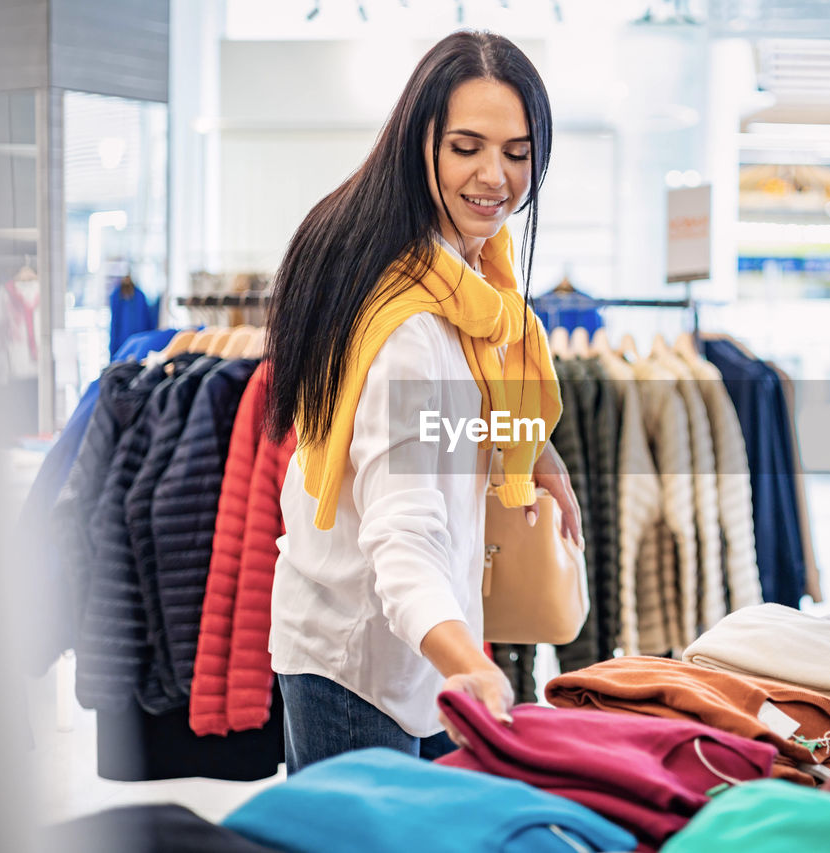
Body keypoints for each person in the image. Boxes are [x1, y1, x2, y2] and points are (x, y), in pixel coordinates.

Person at [264, 30, 582, 774]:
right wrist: (469, 662)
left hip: (419, 649)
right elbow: (401, 536)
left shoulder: (469, 281)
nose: (495, 176)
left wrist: (538, 451)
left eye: (517, 151)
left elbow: (458, 409)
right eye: (467, 146)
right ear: (422, 145)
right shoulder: (411, 325)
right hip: (362, 660)